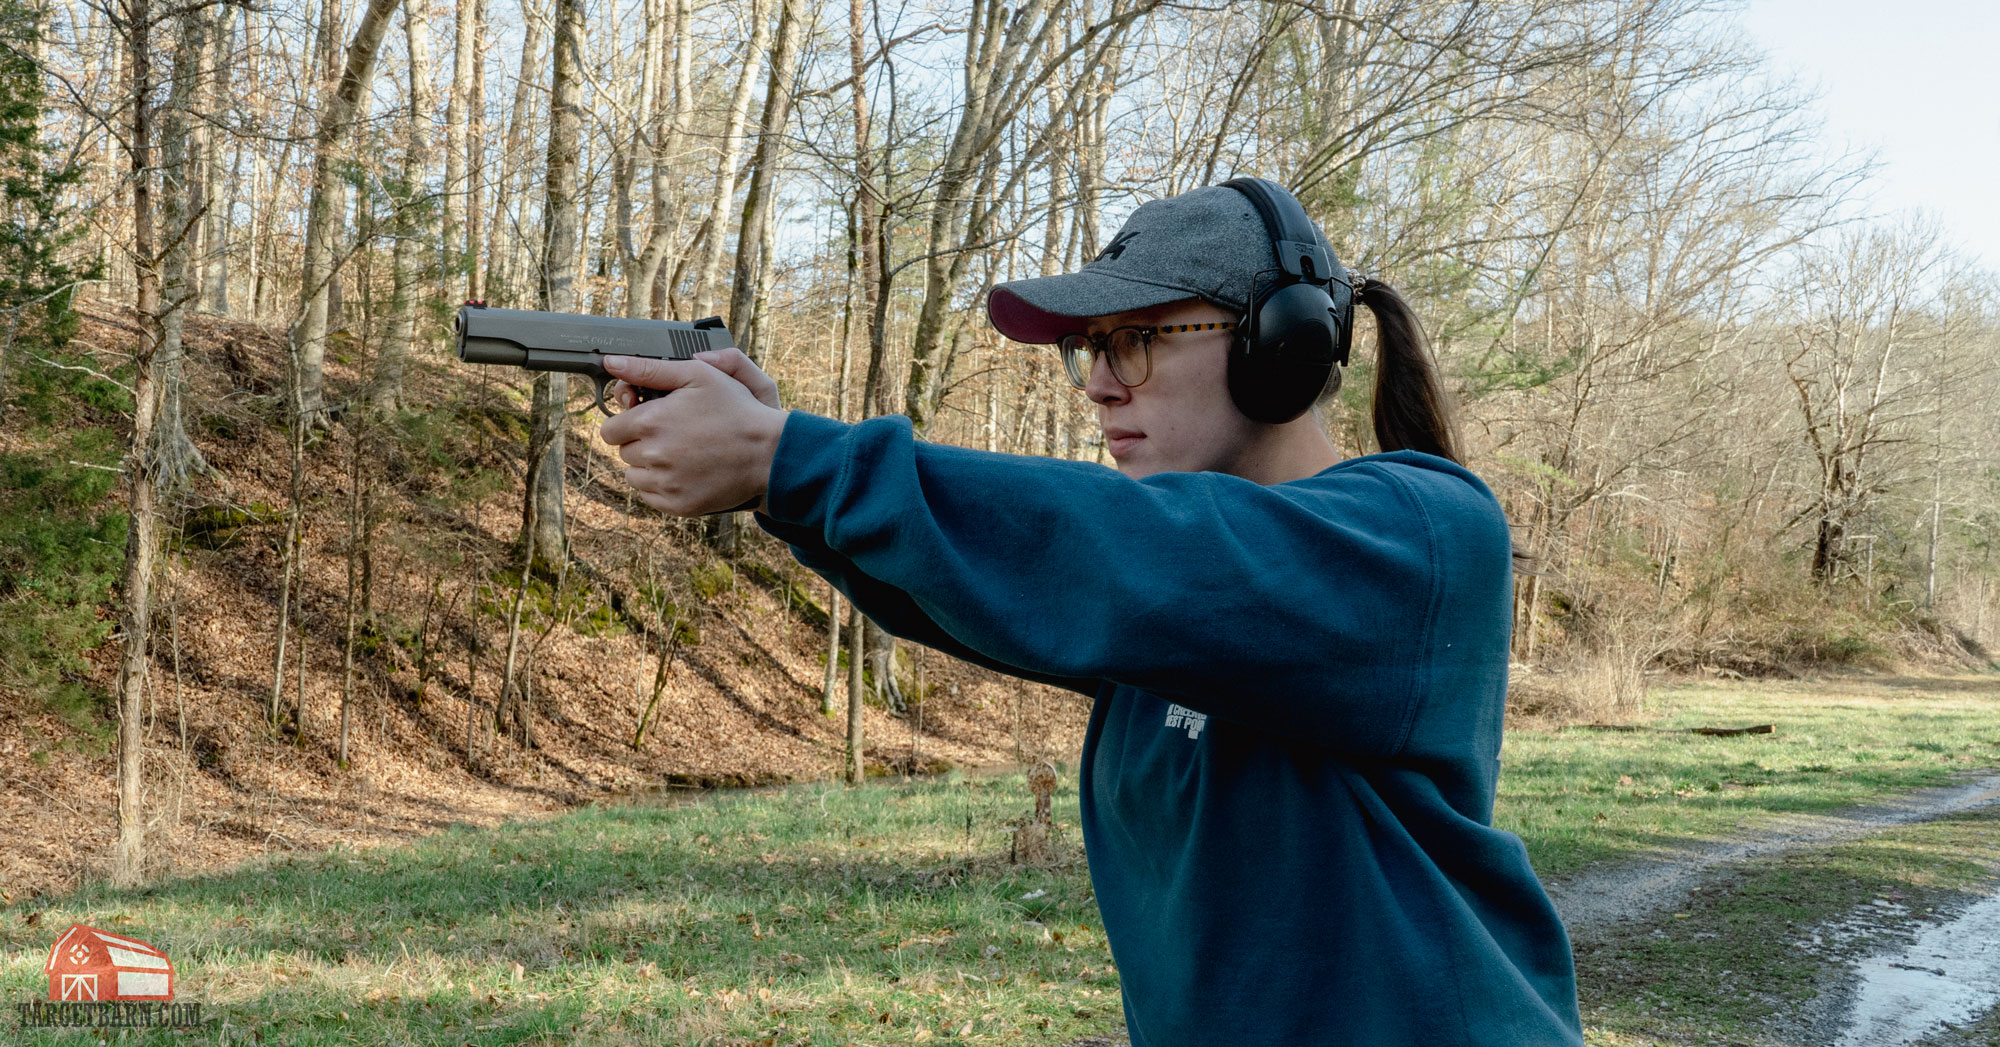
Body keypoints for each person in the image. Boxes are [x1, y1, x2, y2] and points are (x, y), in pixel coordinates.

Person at [596, 180, 1584, 1046]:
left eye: (1140, 340)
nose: (1100, 386)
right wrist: (780, 480)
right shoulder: (1168, 610)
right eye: (1087, 350)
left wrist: (796, 458)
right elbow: (992, 589)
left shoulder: (1419, 536)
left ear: (1278, 345)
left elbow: (1137, 555)